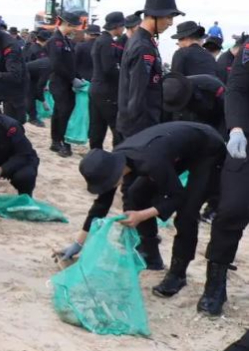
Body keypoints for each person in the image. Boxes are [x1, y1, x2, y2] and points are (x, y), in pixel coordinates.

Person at [74, 123, 225, 298]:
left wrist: (142, 215)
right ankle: (151, 255)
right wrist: (78, 243)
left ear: (114, 175)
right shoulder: (114, 161)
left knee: (187, 212)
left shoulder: (150, 161)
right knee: (136, 194)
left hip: (209, 148)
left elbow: (177, 197)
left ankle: (177, 274)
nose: (106, 187)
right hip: (177, 147)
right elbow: (101, 204)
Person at [197, 37, 249, 317]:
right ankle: (214, 284)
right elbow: (238, 89)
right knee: (232, 210)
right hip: (246, 141)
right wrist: (237, 128)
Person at [117, 0, 182, 139]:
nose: (171, 23)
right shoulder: (143, 46)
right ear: (154, 16)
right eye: (169, 17)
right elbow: (137, 91)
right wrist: (136, 133)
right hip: (139, 126)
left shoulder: (142, 40)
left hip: (139, 122)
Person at [43, 11, 86, 156]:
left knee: (62, 112)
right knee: (62, 112)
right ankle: (59, 142)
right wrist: (72, 78)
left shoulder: (67, 40)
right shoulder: (55, 41)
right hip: (59, 82)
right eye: (74, 26)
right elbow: (57, 65)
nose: (75, 29)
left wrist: (79, 77)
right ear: (67, 24)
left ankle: (57, 141)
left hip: (67, 82)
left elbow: (71, 64)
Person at [89, 12, 126, 149]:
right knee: (117, 126)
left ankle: (95, 153)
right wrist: (124, 77)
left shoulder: (100, 40)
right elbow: (109, 68)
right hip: (106, 90)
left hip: (96, 88)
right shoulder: (108, 42)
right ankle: (118, 154)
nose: (123, 30)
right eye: (123, 26)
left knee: (97, 125)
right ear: (117, 26)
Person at [25, 28, 52, 126]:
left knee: (33, 95)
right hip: (30, 76)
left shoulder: (39, 48)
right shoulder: (35, 49)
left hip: (36, 75)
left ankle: (33, 115)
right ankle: (32, 118)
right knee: (30, 96)